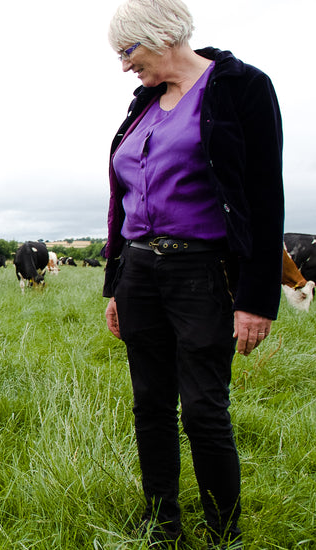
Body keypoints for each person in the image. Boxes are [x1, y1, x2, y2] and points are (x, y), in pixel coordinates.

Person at [102, 0, 284, 547]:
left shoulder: (241, 88)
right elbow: (123, 201)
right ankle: (163, 525)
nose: (125, 66)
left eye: (127, 51)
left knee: (204, 407)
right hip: (139, 271)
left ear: (160, 35)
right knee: (149, 403)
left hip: (202, 271)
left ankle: (222, 531)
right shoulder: (142, 104)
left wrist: (257, 297)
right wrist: (115, 286)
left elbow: (263, 195)